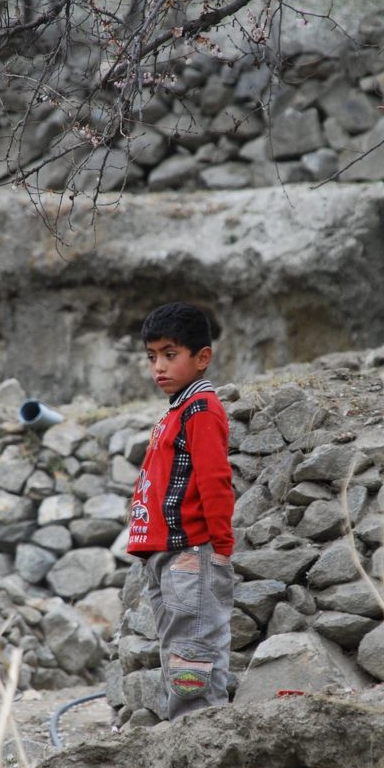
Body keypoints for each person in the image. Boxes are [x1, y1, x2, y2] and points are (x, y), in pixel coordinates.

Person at [127, 301, 235, 721]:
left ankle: (201, 737)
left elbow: (215, 481)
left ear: (202, 357)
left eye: (170, 355)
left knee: (194, 652)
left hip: (190, 552)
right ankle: (187, 734)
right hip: (165, 555)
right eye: (152, 357)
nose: (159, 367)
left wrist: (220, 548)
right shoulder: (177, 410)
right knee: (179, 650)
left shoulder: (201, 409)